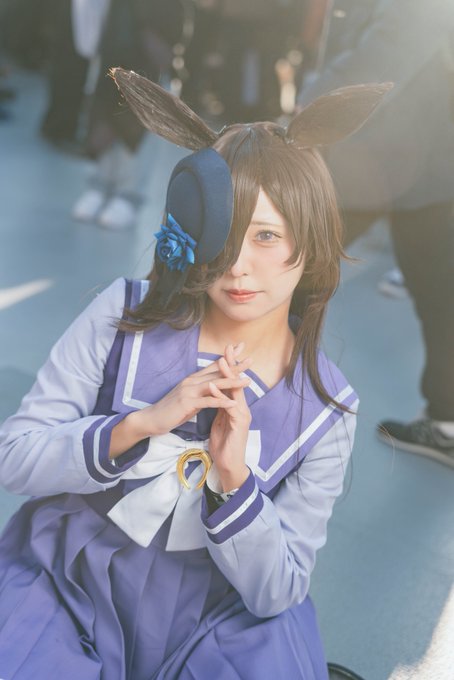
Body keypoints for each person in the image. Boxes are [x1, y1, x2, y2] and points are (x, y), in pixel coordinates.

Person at [0, 71, 389, 678]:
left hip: (216, 618)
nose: (237, 265)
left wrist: (235, 482)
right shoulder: (123, 313)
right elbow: (15, 457)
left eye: (266, 236)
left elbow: (280, 588)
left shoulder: (326, 406)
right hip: (67, 584)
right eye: (223, 234)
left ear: (311, 243)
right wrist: (135, 427)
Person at [298, 0, 454, 467]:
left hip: (380, 158)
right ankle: (447, 423)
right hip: (426, 158)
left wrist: (311, 104)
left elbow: (388, 49)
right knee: (440, 294)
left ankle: (251, 397)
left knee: (292, 271)